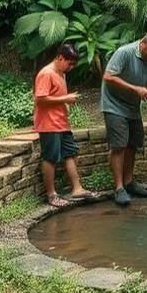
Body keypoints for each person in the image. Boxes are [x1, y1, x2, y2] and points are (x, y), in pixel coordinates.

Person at [100, 31, 147, 206]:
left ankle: (129, 182)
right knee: (119, 145)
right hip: (114, 105)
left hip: (132, 108)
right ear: (143, 44)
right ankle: (119, 188)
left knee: (134, 143)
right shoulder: (124, 52)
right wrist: (135, 89)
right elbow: (108, 76)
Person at [34, 44, 96, 207]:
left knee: (70, 153)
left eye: (73, 64)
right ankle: (51, 194)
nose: (71, 67)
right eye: (69, 63)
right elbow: (40, 99)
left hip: (62, 123)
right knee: (51, 158)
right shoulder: (46, 74)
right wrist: (65, 99)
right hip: (49, 124)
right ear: (60, 57)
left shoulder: (61, 73)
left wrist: (65, 103)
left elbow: (58, 96)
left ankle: (77, 189)